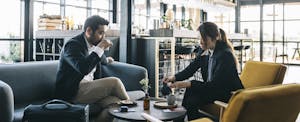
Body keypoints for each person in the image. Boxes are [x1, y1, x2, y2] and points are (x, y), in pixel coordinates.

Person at [163, 22, 244, 121]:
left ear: (215, 37)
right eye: (199, 38)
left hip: (226, 93)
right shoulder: (205, 51)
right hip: (213, 89)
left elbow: (215, 85)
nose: (200, 42)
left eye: (204, 38)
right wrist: (174, 78)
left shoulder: (225, 55)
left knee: (191, 95)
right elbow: (191, 69)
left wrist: (188, 84)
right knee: (190, 92)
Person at [55, 15, 129, 122]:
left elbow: (99, 58)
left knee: (115, 105)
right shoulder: (72, 46)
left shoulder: (93, 44)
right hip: (72, 92)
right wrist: (101, 47)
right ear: (89, 31)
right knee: (115, 82)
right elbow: (83, 68)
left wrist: (107, 60)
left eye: (104, 33)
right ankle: (134, 109)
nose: (103, 37)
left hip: (88, 89)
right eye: (100, 33)